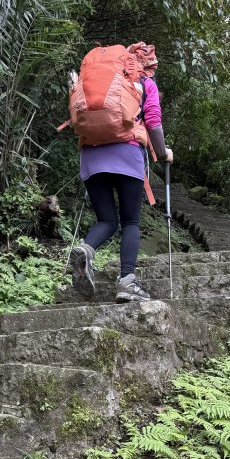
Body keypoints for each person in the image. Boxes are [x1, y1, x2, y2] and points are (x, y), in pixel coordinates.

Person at [69, 42, 174, 303]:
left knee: (107, 220)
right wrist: (163, 154)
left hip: (91, 157)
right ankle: (127, 282)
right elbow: (153, 123)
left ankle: (86, 249)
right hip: (126, 156)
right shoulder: (144, 83)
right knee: (130, 222)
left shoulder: (105, 80)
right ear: (149, 65)